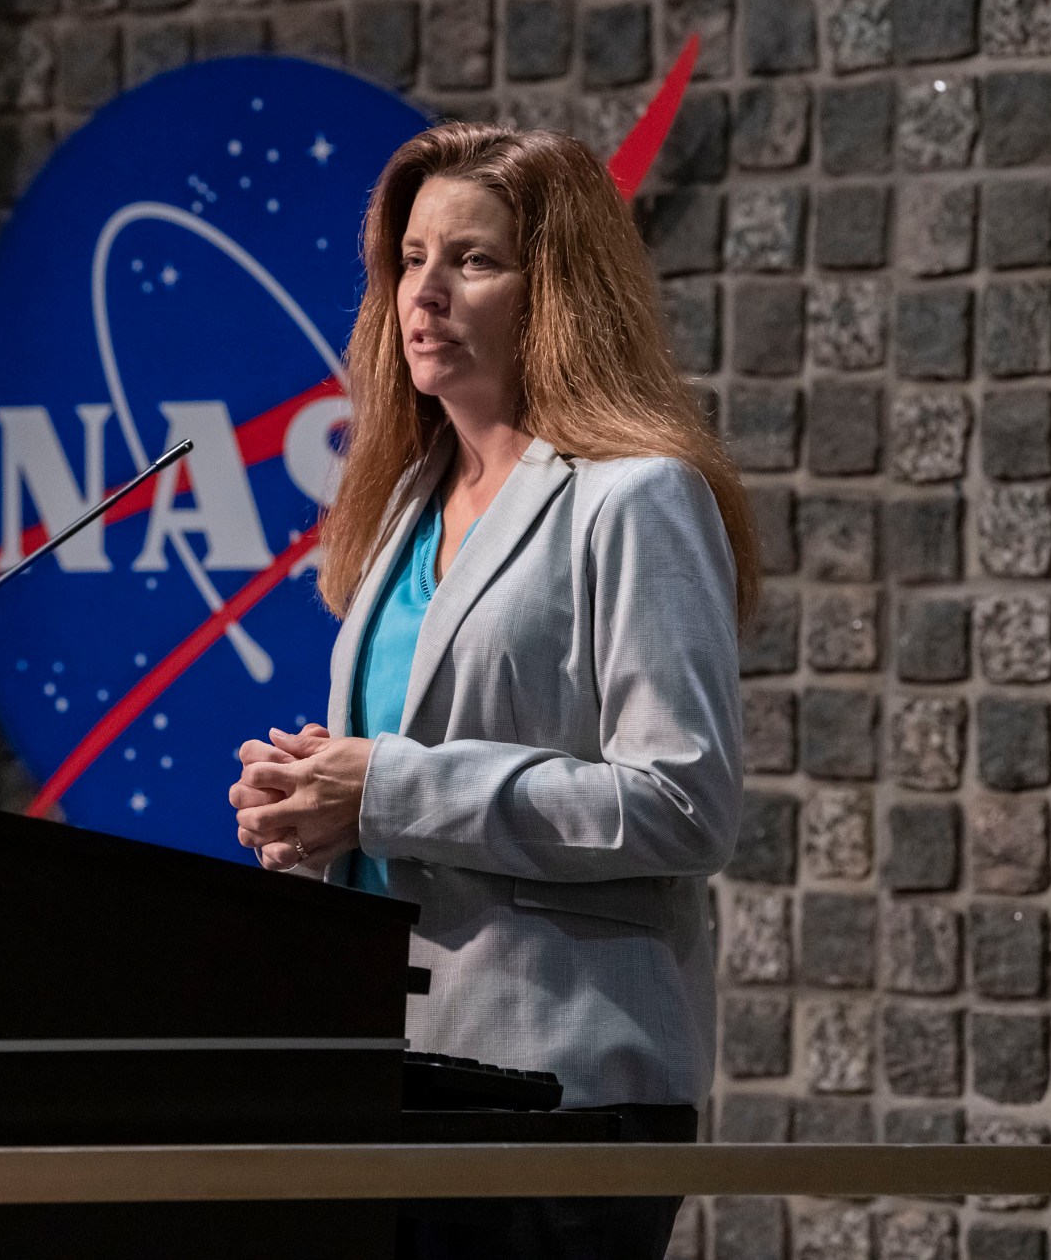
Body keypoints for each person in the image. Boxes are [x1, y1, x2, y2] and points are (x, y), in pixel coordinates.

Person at [228, 122, 759, 1259]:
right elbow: (402, 787)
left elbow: (681, 803)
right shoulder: (407, 498)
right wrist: (311, 805)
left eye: (471, 260)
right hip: (386, 1075)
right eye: (410, 259)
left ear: (553, 288)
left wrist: (382, 789)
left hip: (557, 1087)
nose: (425, 292)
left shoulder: (634, 498)